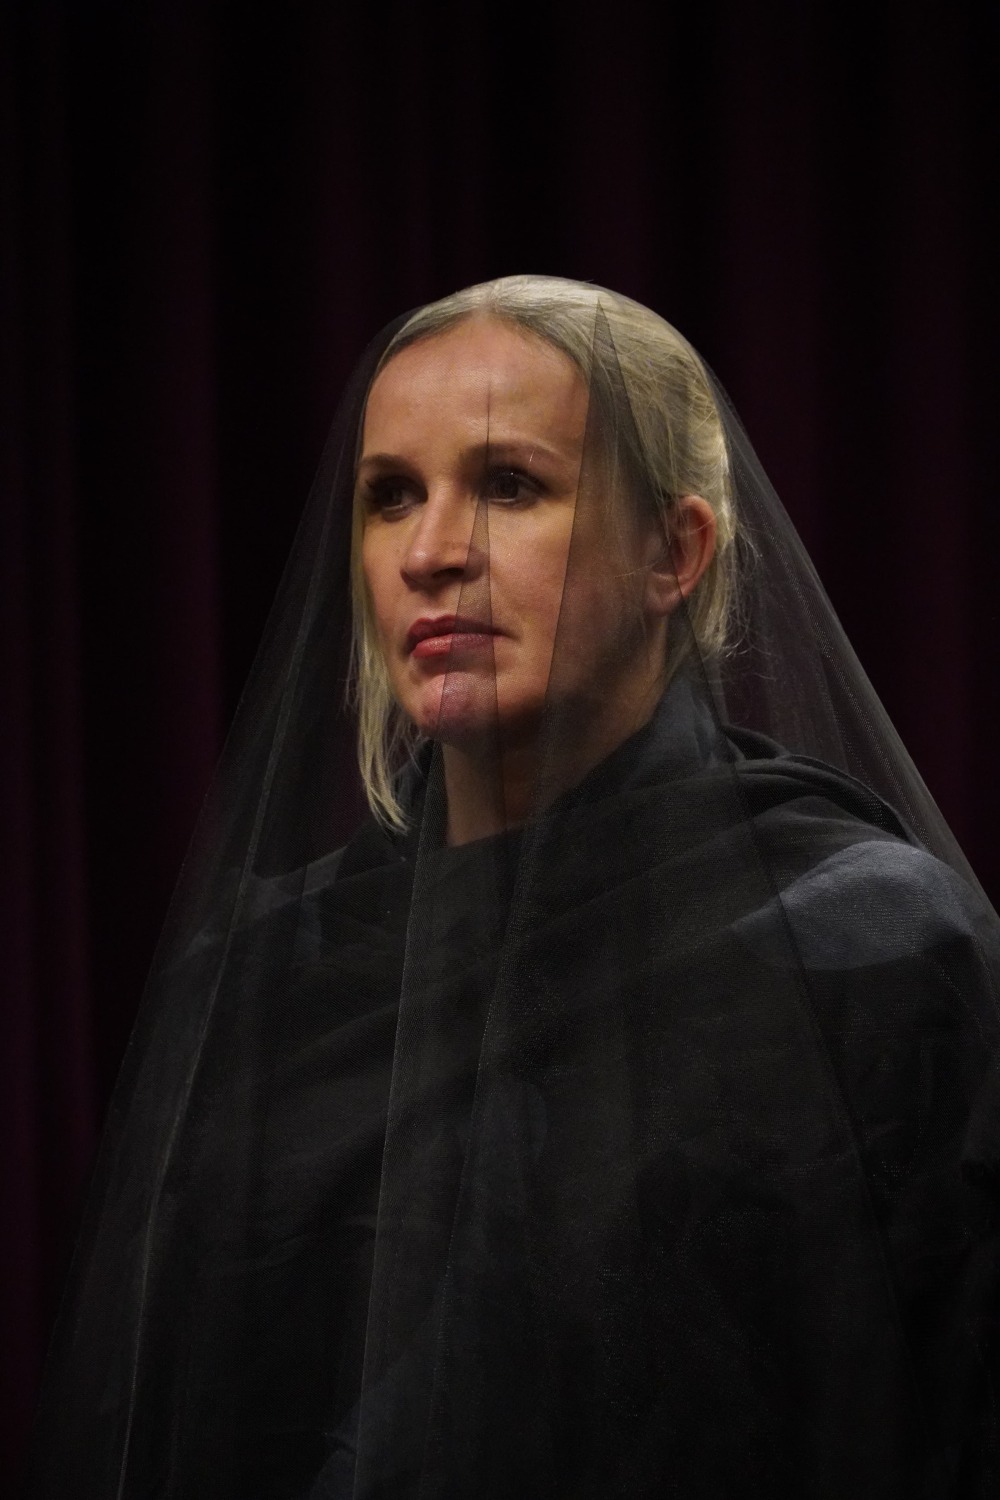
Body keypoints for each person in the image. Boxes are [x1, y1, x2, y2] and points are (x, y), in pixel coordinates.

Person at [25, 277, 1000, 1498]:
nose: (431, 551)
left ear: (674, 551)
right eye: (391, 496)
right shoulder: (273, 967)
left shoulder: (867, 947)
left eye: (508, 485)